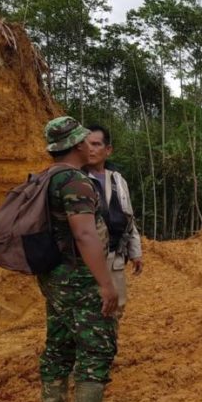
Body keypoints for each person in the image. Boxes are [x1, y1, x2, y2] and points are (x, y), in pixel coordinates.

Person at [37, 116, 118, 402]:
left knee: (59, 339)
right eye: (85, 140)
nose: (90, 145)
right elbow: (85, 234)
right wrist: (105, 284)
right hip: (77, 276)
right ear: (76, 145)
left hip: (53, 274)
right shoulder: (75, 182)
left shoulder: (46, 177)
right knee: (97, 345)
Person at [85, 125, 143, 321]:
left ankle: (108, 348)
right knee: (90, 310)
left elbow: (129, 218)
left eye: (96, 144)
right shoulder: (77, 179)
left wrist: (135, 252)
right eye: (86, 144)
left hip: (115, 256)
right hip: (87, 261)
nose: (90, 149)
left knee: (116, 309)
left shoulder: (118, 180)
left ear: (108, 150)